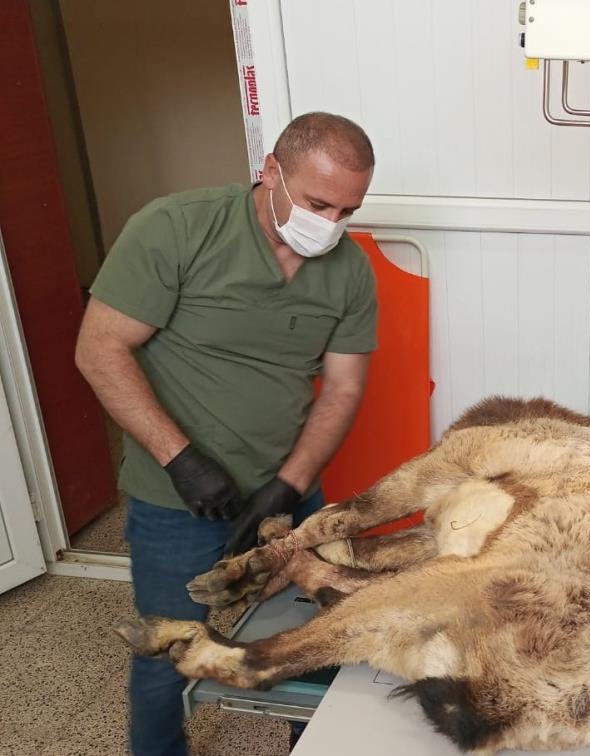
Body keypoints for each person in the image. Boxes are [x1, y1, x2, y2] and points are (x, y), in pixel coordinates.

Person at [75, 112, 378, 755]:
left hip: (286, 494)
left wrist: (290, 485)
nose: (330, 223)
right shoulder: (177, 228)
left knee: (317, 638)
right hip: (177, 499)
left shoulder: (349, 271)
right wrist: (181, 460)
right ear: (270, 171)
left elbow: (345, 389)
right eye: (318, 202)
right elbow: (100, 349)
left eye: (348, 210)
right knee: (170, 645)